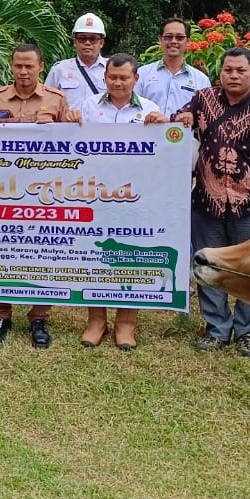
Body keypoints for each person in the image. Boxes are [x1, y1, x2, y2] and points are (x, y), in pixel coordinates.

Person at [176, 47, 250, 359]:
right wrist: (179, 117)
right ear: (220, 73)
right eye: (229, 70)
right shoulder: (202, 100)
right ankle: (216, 329)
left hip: (249, 206)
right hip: (207, 202)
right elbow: (176, 124)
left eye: (241, 70)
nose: (234, 75)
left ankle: (247, 333)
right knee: (210, 266)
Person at [0, 43, 81, 347]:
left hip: (44, 194)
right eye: (18, 66)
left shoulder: (57, 99)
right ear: (12, 67)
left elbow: (73, 146)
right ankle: (0, 315)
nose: (23, 72)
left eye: (29, 66)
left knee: (43, 253)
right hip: (3, 192)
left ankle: (39, 317)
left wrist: (69, 123)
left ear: (41, 66)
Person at [76, 53, 165, 350]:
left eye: (124, 77)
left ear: (135, 79)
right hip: (95, 196)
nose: (117, 82)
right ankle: (96, 321)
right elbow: (69, 143)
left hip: (136, 198)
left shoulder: (151, 111)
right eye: (112, 77)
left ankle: (127, 323)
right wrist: (69, 120)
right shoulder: (88, 107)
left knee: (131, 259)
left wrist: (165, 127)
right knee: (95, 257)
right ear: (105, 78)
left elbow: (167, 151)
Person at [136, 17, 211, 117]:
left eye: (179, 37)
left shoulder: (201, 80)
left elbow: (205, 116)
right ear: (160, 40)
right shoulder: (142, 74)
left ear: (188, 41)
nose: (173, 41)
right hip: (147, 131)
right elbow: (132, 108)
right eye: (168, 37)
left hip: (184, 132)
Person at [44, 12, 108, 110]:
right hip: (68, 124)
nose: (87, 43)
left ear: (101, 43)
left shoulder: (112, 70)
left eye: (93, 39)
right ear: (75, 42)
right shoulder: (59, 70)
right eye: (82, 38)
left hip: (102, 125)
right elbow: (46, 103)